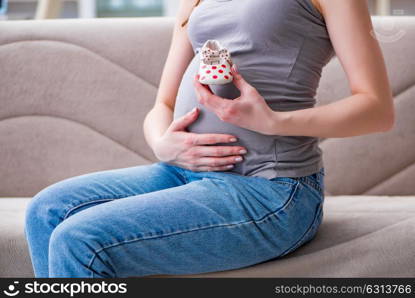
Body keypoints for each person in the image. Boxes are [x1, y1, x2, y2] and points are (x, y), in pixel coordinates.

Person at [24, 0, 394, 278]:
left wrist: (273, 122)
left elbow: (377, 110)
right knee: (47, 210)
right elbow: (162, 104)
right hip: (183, 173)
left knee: (80, 240)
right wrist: (161, 143)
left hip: (269, 189)